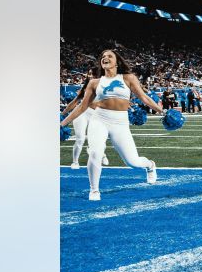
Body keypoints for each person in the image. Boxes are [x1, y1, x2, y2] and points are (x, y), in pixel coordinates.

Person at [59, 49, 161, 201]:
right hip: (99, 119)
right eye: (103, 57)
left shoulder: (128, 78)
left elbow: (144, 98)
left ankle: (150, 165)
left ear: (117, 61)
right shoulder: (94, 82)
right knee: (95, 152)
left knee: (132, 162)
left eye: (109, 56)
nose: (105, 58)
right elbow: (82, 106)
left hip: (120, 122)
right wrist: (62, 123)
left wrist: (161, 111)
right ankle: (94, 190)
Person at [61, 67, 108, 169]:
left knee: (100, 138)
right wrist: (63, 113)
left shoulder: (105, 87)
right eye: (89, 74)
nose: (90, 76)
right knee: (80, 139)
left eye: (93, 74)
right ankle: (75, 162)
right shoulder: (85, 87)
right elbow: (75, 102)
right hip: (82, 113)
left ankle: (102, 154)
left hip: (96, 115)